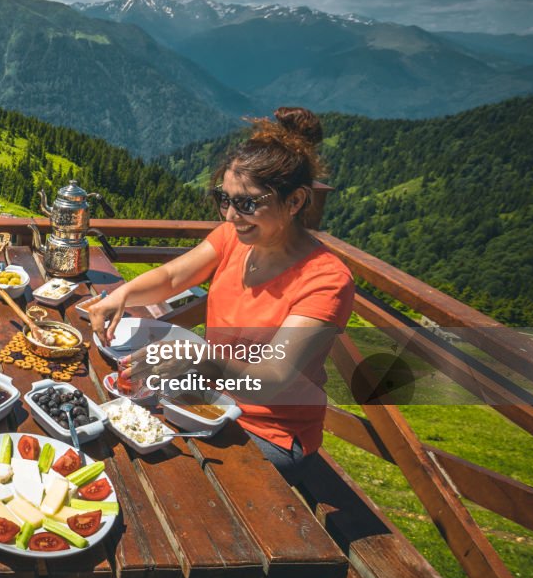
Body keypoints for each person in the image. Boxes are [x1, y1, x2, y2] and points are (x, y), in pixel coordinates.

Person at [89, 107, 354, 485]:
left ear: (295, 202)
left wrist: (201, 360)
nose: (231, 215)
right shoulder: (236, 237)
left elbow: (275, 377)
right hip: (205, 401)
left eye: (247, 203)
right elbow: (173, 276)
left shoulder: (325, 280)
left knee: (154, 477)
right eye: (224, 199)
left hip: (268, 432)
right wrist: (123, 293)